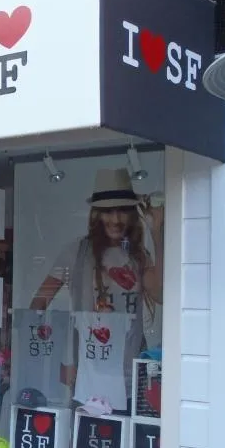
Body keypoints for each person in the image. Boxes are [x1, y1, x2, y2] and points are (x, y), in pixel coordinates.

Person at [29, 167, 164, 412]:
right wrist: (59, 360)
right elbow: (38, 305)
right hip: (86, 380)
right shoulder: (76, 252)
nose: (116, 219)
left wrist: (157, 233)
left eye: (122, 210)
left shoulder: (137, 256)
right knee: (86, 435)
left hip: (129, 381)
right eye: (108, 211)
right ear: (97, 214)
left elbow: (161, 294)